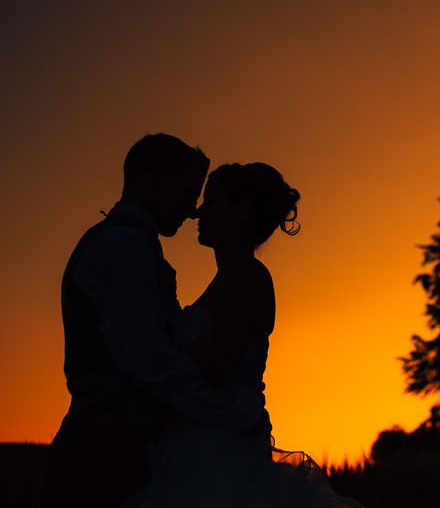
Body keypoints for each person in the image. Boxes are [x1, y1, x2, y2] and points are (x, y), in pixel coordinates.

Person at [46, 134, 269, 508]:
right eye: (188, 192)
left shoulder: (132, 247)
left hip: (120, 453)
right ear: (153, 177)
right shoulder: (123, 248)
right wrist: (235, 411)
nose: (192, 210)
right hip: (104, 458)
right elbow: (150, 362)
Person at [123, 162, 362, 507]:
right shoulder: (231, 277)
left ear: (242, 212)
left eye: (213, 201)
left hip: (222, 460)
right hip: (206, 447)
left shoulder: (248, 277)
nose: (198, 212)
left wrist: (172, 312)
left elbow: (219, 367)